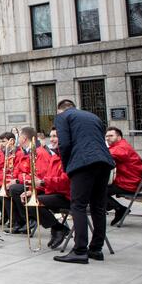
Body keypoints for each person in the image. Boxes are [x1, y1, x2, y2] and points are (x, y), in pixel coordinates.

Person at [53, 99, 115, 264]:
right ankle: (96, 249)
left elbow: (64, 144)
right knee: (98, 207)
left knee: (78, 206)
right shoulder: (93, 116)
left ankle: (80, 250)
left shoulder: (62, 117)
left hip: (83, 163)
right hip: (104, 162)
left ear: (61, 110)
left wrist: (67, 167)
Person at [34, 128, 71, 249]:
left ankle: (58, 228)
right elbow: (49, 178)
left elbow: (65, 181)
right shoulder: (55, 156)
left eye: (55, 136)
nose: (52, 139)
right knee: (29, 199)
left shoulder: (68, 156)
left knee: (34, 202)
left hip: (67, 196)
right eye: (51, 136)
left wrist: (43, 182)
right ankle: (58, 228)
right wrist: (34, 188)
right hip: (56, 193)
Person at [105, 127, 142, 226]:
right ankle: (108, 206)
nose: (107, 138)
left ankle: (119, 209)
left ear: (119, 137)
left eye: (111, 136)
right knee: (98, 189)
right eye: (106, 136)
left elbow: (105, 155)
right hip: (129, 181)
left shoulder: (121, 147)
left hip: (129, 183)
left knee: (96, 191)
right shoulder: (120, 145)